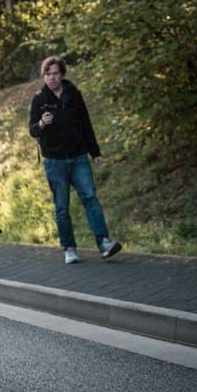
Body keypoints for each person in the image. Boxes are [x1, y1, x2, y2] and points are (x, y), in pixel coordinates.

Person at [28, 56, 123, 264]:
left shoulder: (74, 95)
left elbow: (86, 123)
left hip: (79, 156)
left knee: (90, 198)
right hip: (54, 161)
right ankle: (69, 248)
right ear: (44, 76)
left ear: (62, 74)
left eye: (55, 73)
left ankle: (104, 243)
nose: (51, 78)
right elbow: (32, 130)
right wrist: (42, 124)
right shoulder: (39, 99)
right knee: (62, 206)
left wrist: (95, 151)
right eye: (47, 74)